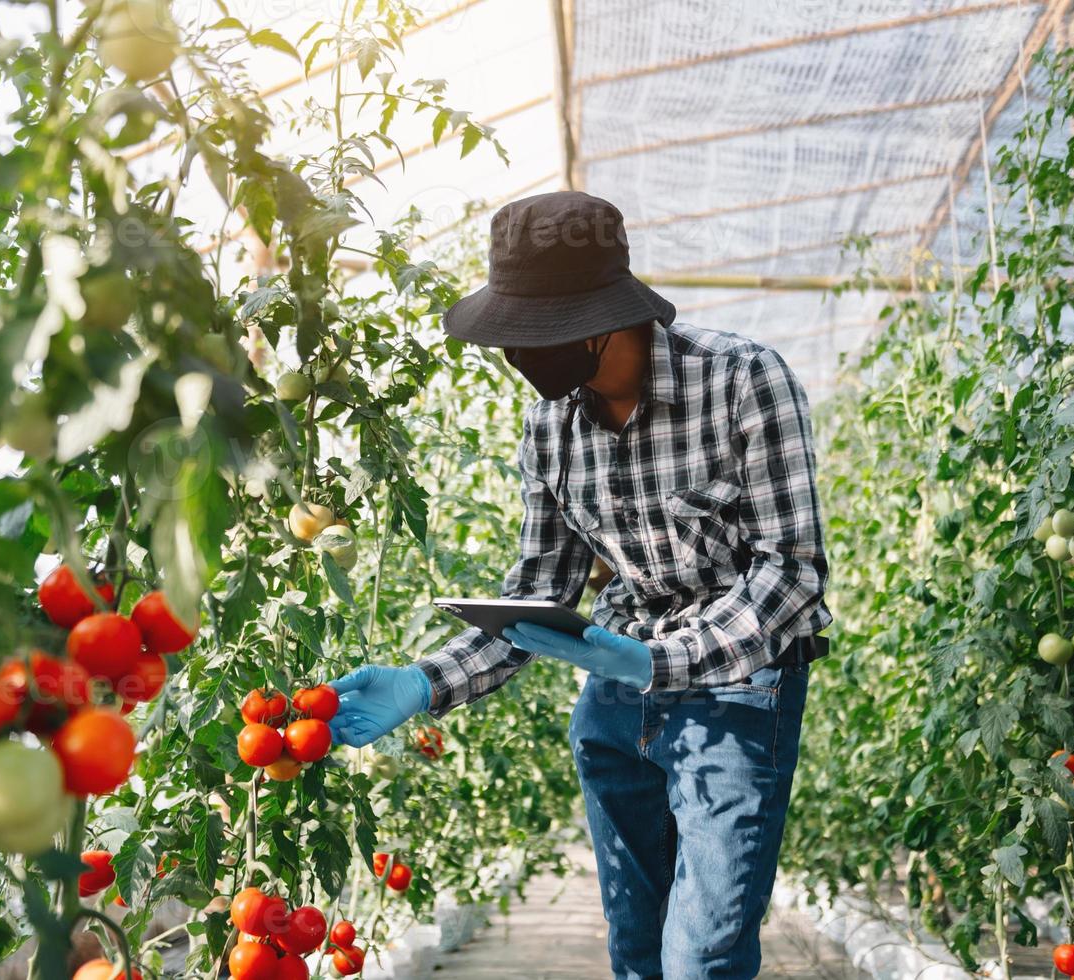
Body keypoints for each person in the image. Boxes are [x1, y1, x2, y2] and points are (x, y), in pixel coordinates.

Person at [325, 190, 830, 980]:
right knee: (635, 950)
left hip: (739, 691)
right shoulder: (550, 427)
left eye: (531, 336)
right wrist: (425, 684)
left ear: (597, 323)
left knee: (703, 956)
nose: (518, 356)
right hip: (615, 698)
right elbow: (542, 589)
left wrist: (664, 661)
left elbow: (791, 573)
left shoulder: (743, 381)